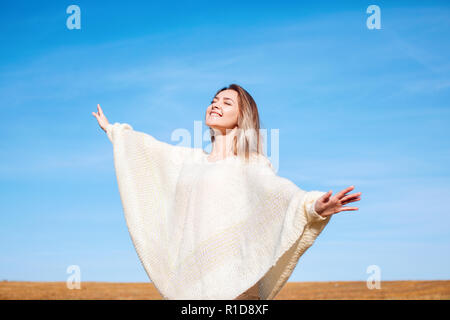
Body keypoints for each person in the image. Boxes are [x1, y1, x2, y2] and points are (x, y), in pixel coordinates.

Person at [92, 84, 361, 300]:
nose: (215, 104)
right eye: (214, 99)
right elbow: (149, 153)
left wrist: (313, 207)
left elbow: (280, 194)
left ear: (242, 117)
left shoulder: (250, 163)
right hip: (189, 292)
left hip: (237, 293)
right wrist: (116, 133)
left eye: (226, 102)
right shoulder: (188, 160)